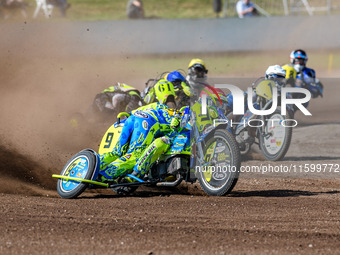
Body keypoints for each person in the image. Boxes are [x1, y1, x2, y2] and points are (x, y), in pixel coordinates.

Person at [98, 96, 182, 181]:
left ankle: (92, 166)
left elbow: (132, 112)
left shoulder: (160, 106)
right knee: (134, 156)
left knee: (116, 152)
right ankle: (105, 175)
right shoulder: (184, 119)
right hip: (146, 124)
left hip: (132, 118)